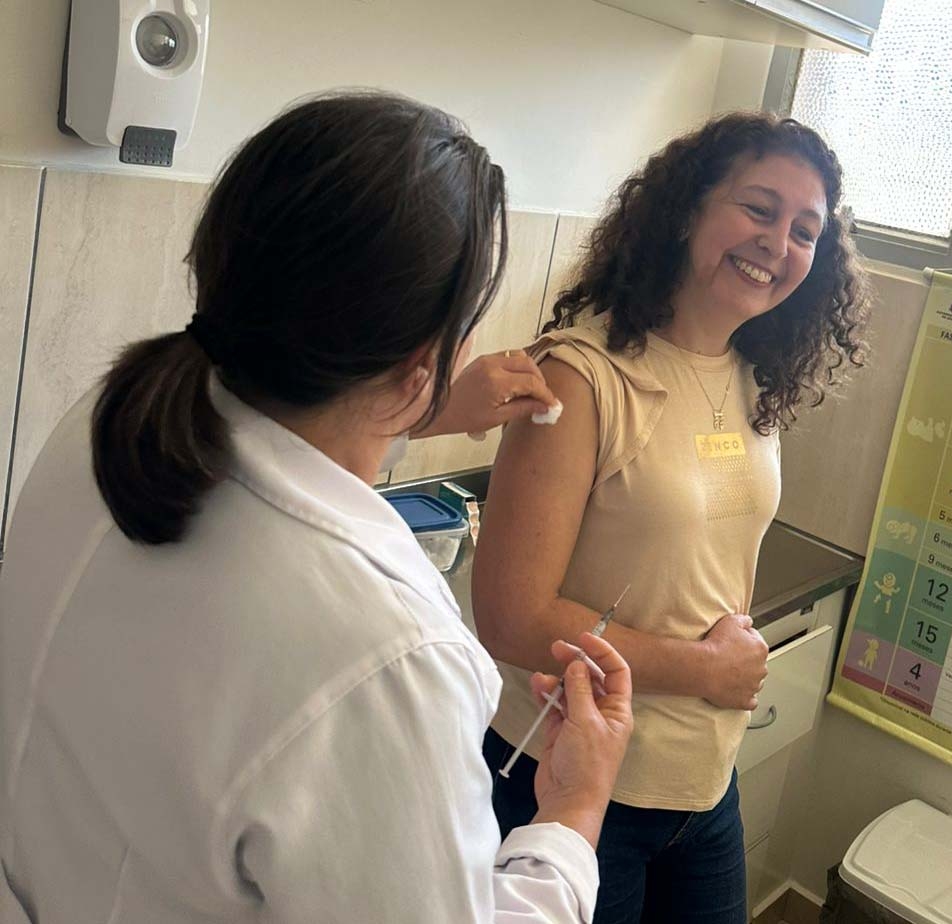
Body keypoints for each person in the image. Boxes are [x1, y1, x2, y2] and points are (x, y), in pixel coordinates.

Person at [0, 92, 633, 924]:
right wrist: (571, 817)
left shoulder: (113, 417)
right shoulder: (389, 660)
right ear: (422, 360)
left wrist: (424, 410)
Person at [473, 111, 869, 923]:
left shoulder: (756, 378)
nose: (778, 243)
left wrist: (720, 668)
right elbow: (513, 618)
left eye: (805, 232)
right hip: (574, 780)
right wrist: (707, 671)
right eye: (758, 209)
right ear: (688, 209)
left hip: (703, 784)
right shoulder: (583, 376)